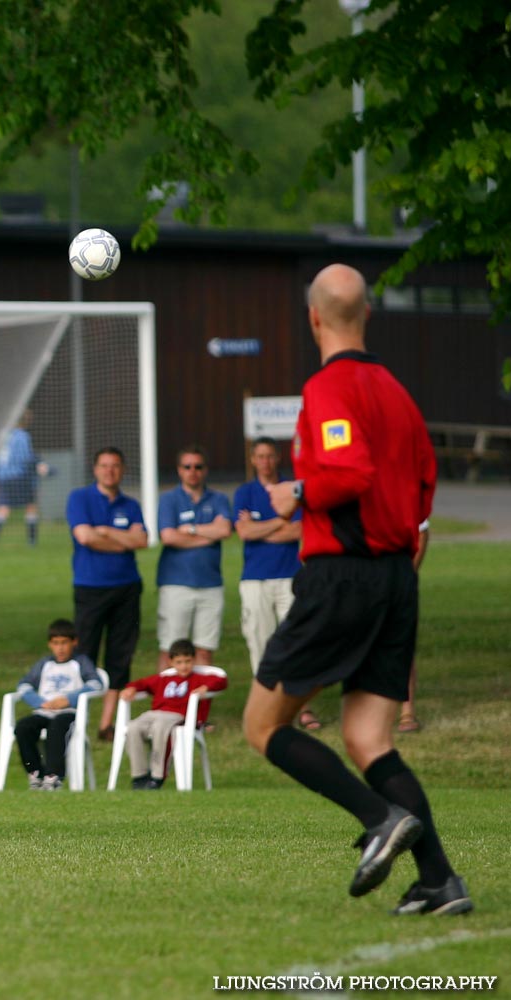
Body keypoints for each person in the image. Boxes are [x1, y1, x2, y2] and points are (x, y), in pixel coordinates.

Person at [241, 263, 471, 916]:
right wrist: (401, 565)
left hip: (345, 573)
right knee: (371, 739)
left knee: (262, 727)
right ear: (366, 313)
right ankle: (440, 881)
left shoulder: (329, 388)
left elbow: (348, 472)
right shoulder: (398, 393)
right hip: (398, 574)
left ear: (314, 318)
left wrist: (297, 492)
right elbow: (423, 486)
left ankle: (379, 819)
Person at [65, 447, 148, 740]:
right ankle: (76, 720)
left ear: (123, 470)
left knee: (120, 654)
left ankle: (107, 724)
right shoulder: (80, 498)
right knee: (84, 653)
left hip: (126, 587)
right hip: (91, 587)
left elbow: (141, 541)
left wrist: (105, 532)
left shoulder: (131, 504)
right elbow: (85, 537)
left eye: (115, 465)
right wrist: (120, 539)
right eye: (104, 465)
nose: (109, 470)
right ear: (95, 469)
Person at [232, 437, 308, 724]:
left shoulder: (293, 489)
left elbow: (299, 529)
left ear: (278, 458)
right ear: (253, 460)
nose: (265, 461)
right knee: (259, 641)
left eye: (270, 456)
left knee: (295, 640)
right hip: (255, 579)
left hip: (290, 575)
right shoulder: (245, 492)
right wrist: (280, 521)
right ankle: (266, 707)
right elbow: (244, 533)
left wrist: (261, 527)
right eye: (259, 456)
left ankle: (299, 706)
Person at [155, 444, 232, 671]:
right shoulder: (169, 499)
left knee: (204, 651)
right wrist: (209, 534)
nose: (193, 471)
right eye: (187, 466)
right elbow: (168, 536)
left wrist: (189, 530)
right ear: (179, 470)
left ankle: (199, 706)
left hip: (210, 584)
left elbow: (225, 530)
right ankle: (166, 703)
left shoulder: (218, 498)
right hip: (176, 583)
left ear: (205, 470)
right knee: (171, 650)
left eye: (198, 466)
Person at [120, 639, 227, 790]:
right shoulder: (163, 679)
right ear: (170, 662)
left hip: (178, 715)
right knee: (133, 727)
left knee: (160, 727)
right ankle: (139, 775)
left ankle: (157, 776)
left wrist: (206, 687)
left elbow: (221, 680)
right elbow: (142, 683)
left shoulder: (198, 678)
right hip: (155, 713)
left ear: (194, 660)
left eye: (188, 661)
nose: (183, 666)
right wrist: (131, 688)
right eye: (179, 662)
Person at [11, 618, 103, 791]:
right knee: (23, 727)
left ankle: (53, 776)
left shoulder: (81, 662)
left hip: (69, 712)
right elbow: (24, 685)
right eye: (55, 643)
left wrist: (68, 699)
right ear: (49, 644)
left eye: (64, 643)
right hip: (44, 711)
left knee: (57, 727)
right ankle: (35, 773)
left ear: (74, 642)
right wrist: (40, 702)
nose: (60, 648)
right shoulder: (44, 664)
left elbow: (96, 684)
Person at [0, 410, 49, 546]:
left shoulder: (3, 435)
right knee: (31, 506)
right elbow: (25, 457)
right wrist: (39, 464)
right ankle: (32, 541)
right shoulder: (22, 436)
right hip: (18, 475)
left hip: (3, 476)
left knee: (3, 507)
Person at [397, 519, 430, 733]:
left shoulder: (405, 488)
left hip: (400, 579)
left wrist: (407, 576)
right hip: (362, 578)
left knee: (402, 645)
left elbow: (422, 531)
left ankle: (406, 712)